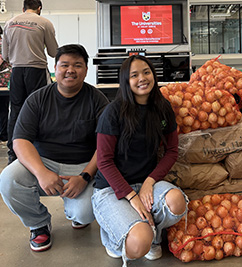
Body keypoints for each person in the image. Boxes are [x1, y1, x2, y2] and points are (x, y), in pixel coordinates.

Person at [0, 44, 110, 252]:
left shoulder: (97, 100)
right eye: (65, 65)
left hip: (81, 166)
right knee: (8, 179)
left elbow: (106, 145)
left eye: (77, 65)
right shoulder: (37, 99)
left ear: (86, 70)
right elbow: (20, 140)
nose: (71, 70)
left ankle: (75, 212)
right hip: (43, 161)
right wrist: (41, 172)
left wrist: (85, 176)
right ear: (55, 67)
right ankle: (39, 224)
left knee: (86, 213)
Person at [92, 55, 187, 265]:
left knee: (176, 202)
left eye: (146, 72)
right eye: (134, 75)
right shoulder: (112, 112)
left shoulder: (163, 108)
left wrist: (149, 181)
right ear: (125, 81)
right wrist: (132, 197)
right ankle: (112, 235)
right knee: (138, 245)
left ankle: (152, 229)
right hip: (111, 189)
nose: (142, 78)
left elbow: (171, 150)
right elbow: (104, 161)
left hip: (146, 184)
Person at [2, 0, 58, 163]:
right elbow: (54, 52)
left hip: (17, 72)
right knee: (39, 110)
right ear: (39, 8)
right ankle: (37, 149)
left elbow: (5, 56)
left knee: (16, 111)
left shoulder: (10, 23)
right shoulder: (45, 22)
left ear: (23, 8)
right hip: (37, 70)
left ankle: (13, 151)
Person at [0, 26, 11, 142]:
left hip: (3, 81)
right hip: (5, 80)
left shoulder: (1, 43)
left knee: (3, 108)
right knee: (3, 108)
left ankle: (3, 134)